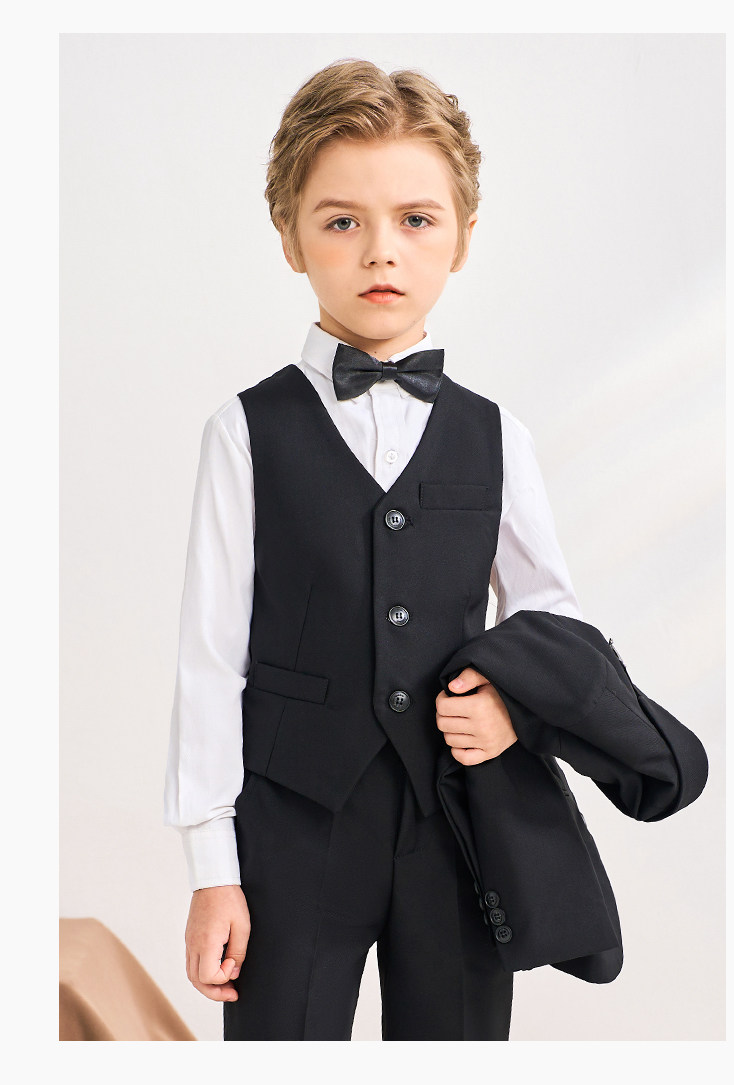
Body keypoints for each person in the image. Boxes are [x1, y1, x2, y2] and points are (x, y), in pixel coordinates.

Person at [163, 57, 583, 1041]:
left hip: (457, 828)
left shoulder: (498, 436)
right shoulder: (245, 431)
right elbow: (208, 659)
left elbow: (550, 616)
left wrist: (514, 706)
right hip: (291, 830)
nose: (380, 251)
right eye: (342, 221)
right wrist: (212, 869)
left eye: (416, 219)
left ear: (463, 237)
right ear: (289, 237)